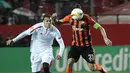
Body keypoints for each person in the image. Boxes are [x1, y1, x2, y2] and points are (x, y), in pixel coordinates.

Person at [51, 8, 112, 73]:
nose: (78, 20)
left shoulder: (87, 18)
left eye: (79, 19)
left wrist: (105, 38)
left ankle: (101, 69)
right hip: (75, 46)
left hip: (87, 47)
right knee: (70, 62)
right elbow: (58, 23)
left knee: (92, 68)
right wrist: (54, 19)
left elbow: (100, 28)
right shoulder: (70, 17)